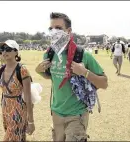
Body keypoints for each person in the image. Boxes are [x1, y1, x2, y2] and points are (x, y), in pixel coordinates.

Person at [35, 12, 108, 142]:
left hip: (76, 114)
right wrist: (39, 70)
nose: (53, 32)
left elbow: (104, 83)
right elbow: (53, 77)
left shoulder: (82, 55)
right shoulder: (49, 53)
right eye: (51, 29)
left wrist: (84, 72)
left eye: (58, 28)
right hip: (56, 112)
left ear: (68, 31)